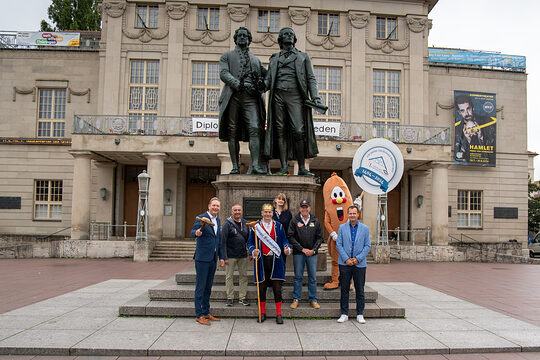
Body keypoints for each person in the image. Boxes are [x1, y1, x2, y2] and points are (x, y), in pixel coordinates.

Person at [264, 27, 324, 176]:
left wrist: (315, 96)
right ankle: (284, 167)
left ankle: (302, 167)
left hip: (295, 96)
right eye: (285, 34)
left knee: (298, 130)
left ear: (294, 39)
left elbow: (311, 78)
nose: (289, 36)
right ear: (280, 39)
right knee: (280, 131)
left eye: (291, 34)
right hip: (277, 96)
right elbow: (267, 81)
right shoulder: (274, 58)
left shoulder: (303, 57)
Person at [218, 27, 267, 175]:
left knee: (254, 128)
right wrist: (237, 83)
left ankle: (256, 165)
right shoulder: (227, 56)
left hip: (251, 98)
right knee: (232, 132)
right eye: (239, 35)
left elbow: (267, 78)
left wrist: (260, 84)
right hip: (233, 96)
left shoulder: (256, 60)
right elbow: (223, 73)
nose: (242, 38)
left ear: (249, 39)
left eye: (245, 36)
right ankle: (234, 166)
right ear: (235, 38)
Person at [248, 204, 291, 324]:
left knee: (277, 288)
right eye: (265, 212)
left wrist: (286, 248)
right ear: (262, 213)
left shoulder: (279, 226)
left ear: (272, 213)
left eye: (269, 212)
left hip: (275, 261)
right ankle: (262, 313)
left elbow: (284, 241)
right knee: (262, 288)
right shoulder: (256, 227)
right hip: (261, 261)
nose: (267, 214)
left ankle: (279, 314)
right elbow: (250, 242)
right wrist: (253, 250)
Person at [190, 197, 225, 325]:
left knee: (208, 287)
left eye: (218, 206)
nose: (216, 208)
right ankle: (199, 315)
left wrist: (221, 257)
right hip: (202, 258)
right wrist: (197, 233)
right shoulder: (201, 218)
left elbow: (218, 241)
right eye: (214, 205)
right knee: (201, 287)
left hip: (213, 259)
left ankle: (206, 311)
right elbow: (192, 232)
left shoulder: (218, 220)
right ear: (209, 206)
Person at [336, 205, 371, 324]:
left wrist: (357, 259)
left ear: (358, 214)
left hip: (359, 264)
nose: (352, 215)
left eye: (354, 213)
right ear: (347, 215)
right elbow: (339, 244)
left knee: (360, 290)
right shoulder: (342, 228)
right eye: (350, 213)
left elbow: (367, 246)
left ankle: (360, 313)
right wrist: (346, 259)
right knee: (344, 289)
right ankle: (344, 313)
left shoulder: (365, 228)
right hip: (345, 264)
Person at [288, 200, 324, 309]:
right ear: (300, 209)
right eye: (302, 207)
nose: (304, 209)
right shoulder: (294, 221)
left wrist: (313, 250)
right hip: (299, 253)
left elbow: (319, 238)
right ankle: (296, 299)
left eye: (306, 207)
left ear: (309, 208)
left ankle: (313, 299)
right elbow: (290, 236)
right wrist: (302, 249)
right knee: (298, 276)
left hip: (312, 254)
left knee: (312, 277)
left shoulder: (315, 221)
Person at [221, 203, 251, 307]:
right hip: (230, 256)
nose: (237, 212)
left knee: (243, 276)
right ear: (231, 211)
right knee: (229, 277)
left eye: (239, 210)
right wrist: (224, 256)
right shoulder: (227, 224)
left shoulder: (245, 223)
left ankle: (242, 298)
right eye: (235, 210)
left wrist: (250, 253)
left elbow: (248, 240)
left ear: (241, 211)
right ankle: (230, 297)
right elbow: (223, 241)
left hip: (242, 255)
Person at [454, 94, 495, 162]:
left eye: (468, 109)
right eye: (462, 110)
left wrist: (481, 137)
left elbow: (492, 154)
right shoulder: (457, 130)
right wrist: (468, 141)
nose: (467, 113)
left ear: (473, 108)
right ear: (459, 112)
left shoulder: (488, 123)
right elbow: (460, 158)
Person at [272, 193, 292, 265]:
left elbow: (290, 228)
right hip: (271, 241)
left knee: (282, 263)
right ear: (275, 200)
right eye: (279, 199)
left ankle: (281, 276)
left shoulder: (288, 213)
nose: (281, 201)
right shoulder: (270, 212)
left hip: (283, 241)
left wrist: (289, 241)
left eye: (283, 199)